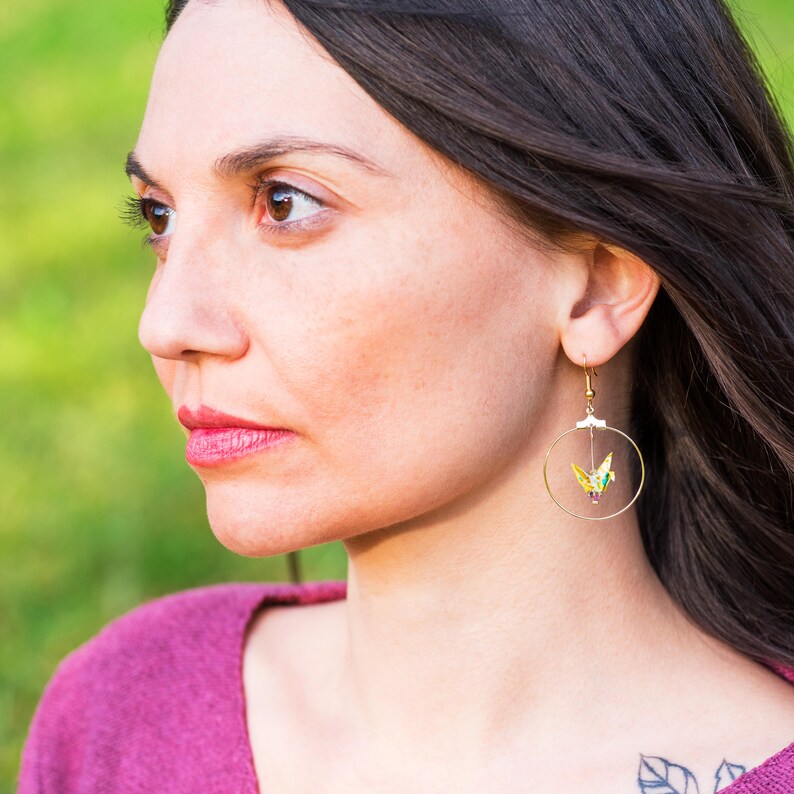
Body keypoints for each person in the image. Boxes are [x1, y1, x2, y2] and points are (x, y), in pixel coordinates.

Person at [18, 0, 794, 791]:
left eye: (284, 203)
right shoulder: (122, 713)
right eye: (159, 216)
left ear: (595, 287)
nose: (165, 323)